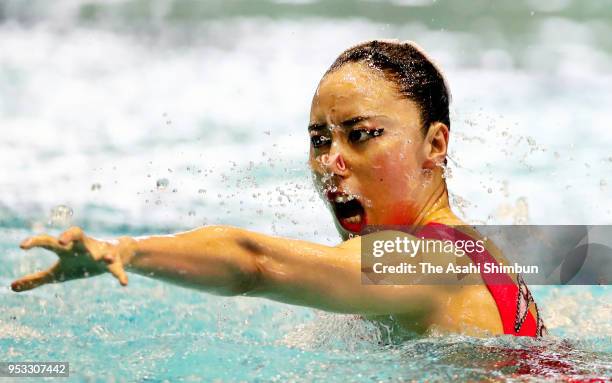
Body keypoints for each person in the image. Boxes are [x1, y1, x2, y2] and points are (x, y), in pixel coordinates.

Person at [11, 40, 545, 338]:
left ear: (435, 144)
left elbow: (254, 261)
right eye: (319, 140)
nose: (331, 162)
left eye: (362, 136)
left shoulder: (428, 259)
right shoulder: (469, 251)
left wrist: (124, 250)